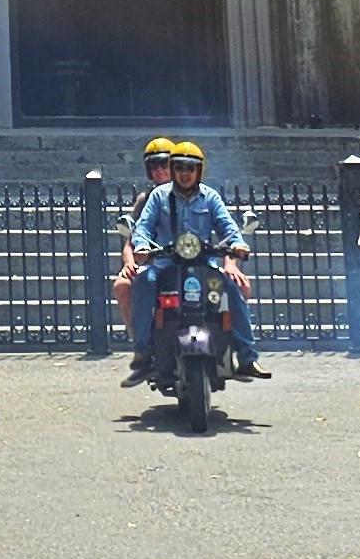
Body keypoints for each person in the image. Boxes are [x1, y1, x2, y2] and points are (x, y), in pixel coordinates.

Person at [126, 142, 261, 380]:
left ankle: (247, 357)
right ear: (173, 170)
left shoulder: (210, 197)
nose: (185, 174)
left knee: (232, 287)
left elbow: (227, 227)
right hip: (165, 263)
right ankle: (143, 351)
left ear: (199, 171)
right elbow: (143, 227)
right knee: (144, 281)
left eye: (190, 168)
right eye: (179, 168)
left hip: (204, 263)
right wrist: (143, 247)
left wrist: (238, 244)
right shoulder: (159, 196)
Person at [111, 138, 180, 383]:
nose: (160, 170)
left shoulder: (196, 192)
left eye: (165, 164)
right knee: (124, 285)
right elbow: (132, 238)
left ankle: (236, 349)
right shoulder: (146, 200)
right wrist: (130, 263)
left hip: (190, 259)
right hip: (155, 260)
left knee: (237, 285)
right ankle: (142, 347)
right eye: (154, 165)